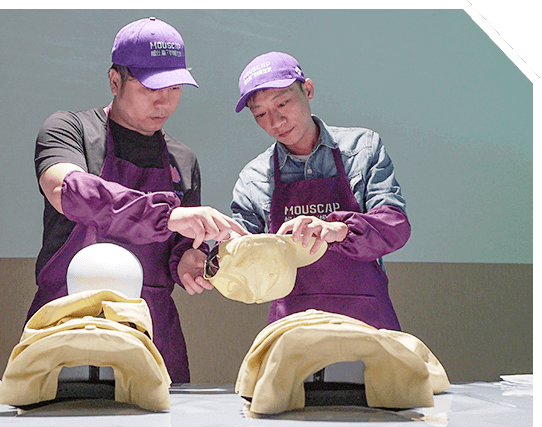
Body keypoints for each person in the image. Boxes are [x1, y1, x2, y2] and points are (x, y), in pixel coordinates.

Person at [29, 17, 247, 384]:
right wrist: (166, 216)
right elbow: (65, 189)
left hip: (152, 333)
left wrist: (187, 261)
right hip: (69, 323)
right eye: (150, 87)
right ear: (115, 81)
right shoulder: (69, 130)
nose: (165, 101)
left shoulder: (183, 160)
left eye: (175, 88)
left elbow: (178, 249)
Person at [231, 51, 410, 331]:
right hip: (293, 327)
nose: (276, 121)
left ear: (308, 90)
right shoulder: (254, 178)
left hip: (365, 322)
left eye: (283, 103)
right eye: (261, 114)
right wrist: (219, 254)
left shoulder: (362, 149)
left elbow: (395, 226)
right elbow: (241, 254)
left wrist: (339, 229)